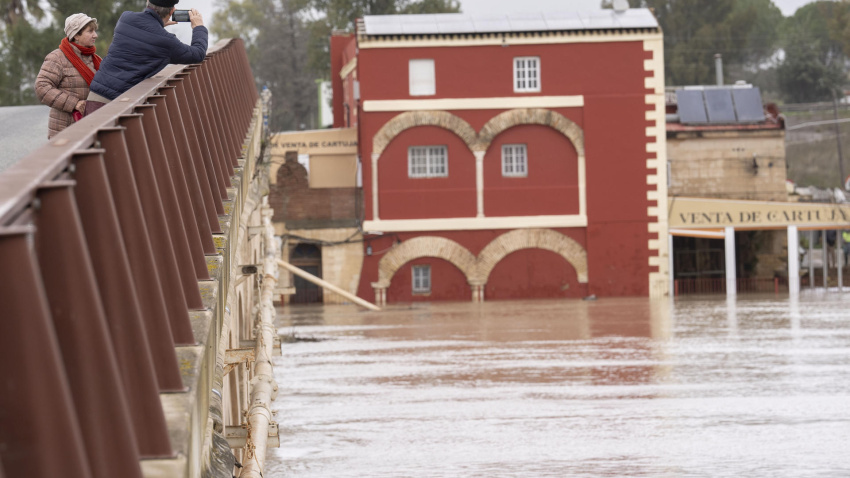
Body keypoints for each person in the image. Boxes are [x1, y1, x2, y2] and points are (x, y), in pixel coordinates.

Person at [85, 0, 207, 115]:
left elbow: (143, 37)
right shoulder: (167, 41)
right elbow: (197, 54)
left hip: (95, 98)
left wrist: (159, 26)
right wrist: (198, 27)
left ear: (148, 3)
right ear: (171, 11)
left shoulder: (126, 18)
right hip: (119, 105)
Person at [35, 13, 101, 138]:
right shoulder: (57, 58)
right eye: (90, 31)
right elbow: (41, 87)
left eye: (95, 31)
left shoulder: (96, 60)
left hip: (90, 127)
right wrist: (74, 103)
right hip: (65, 130)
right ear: (76, 35)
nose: (95, 35)